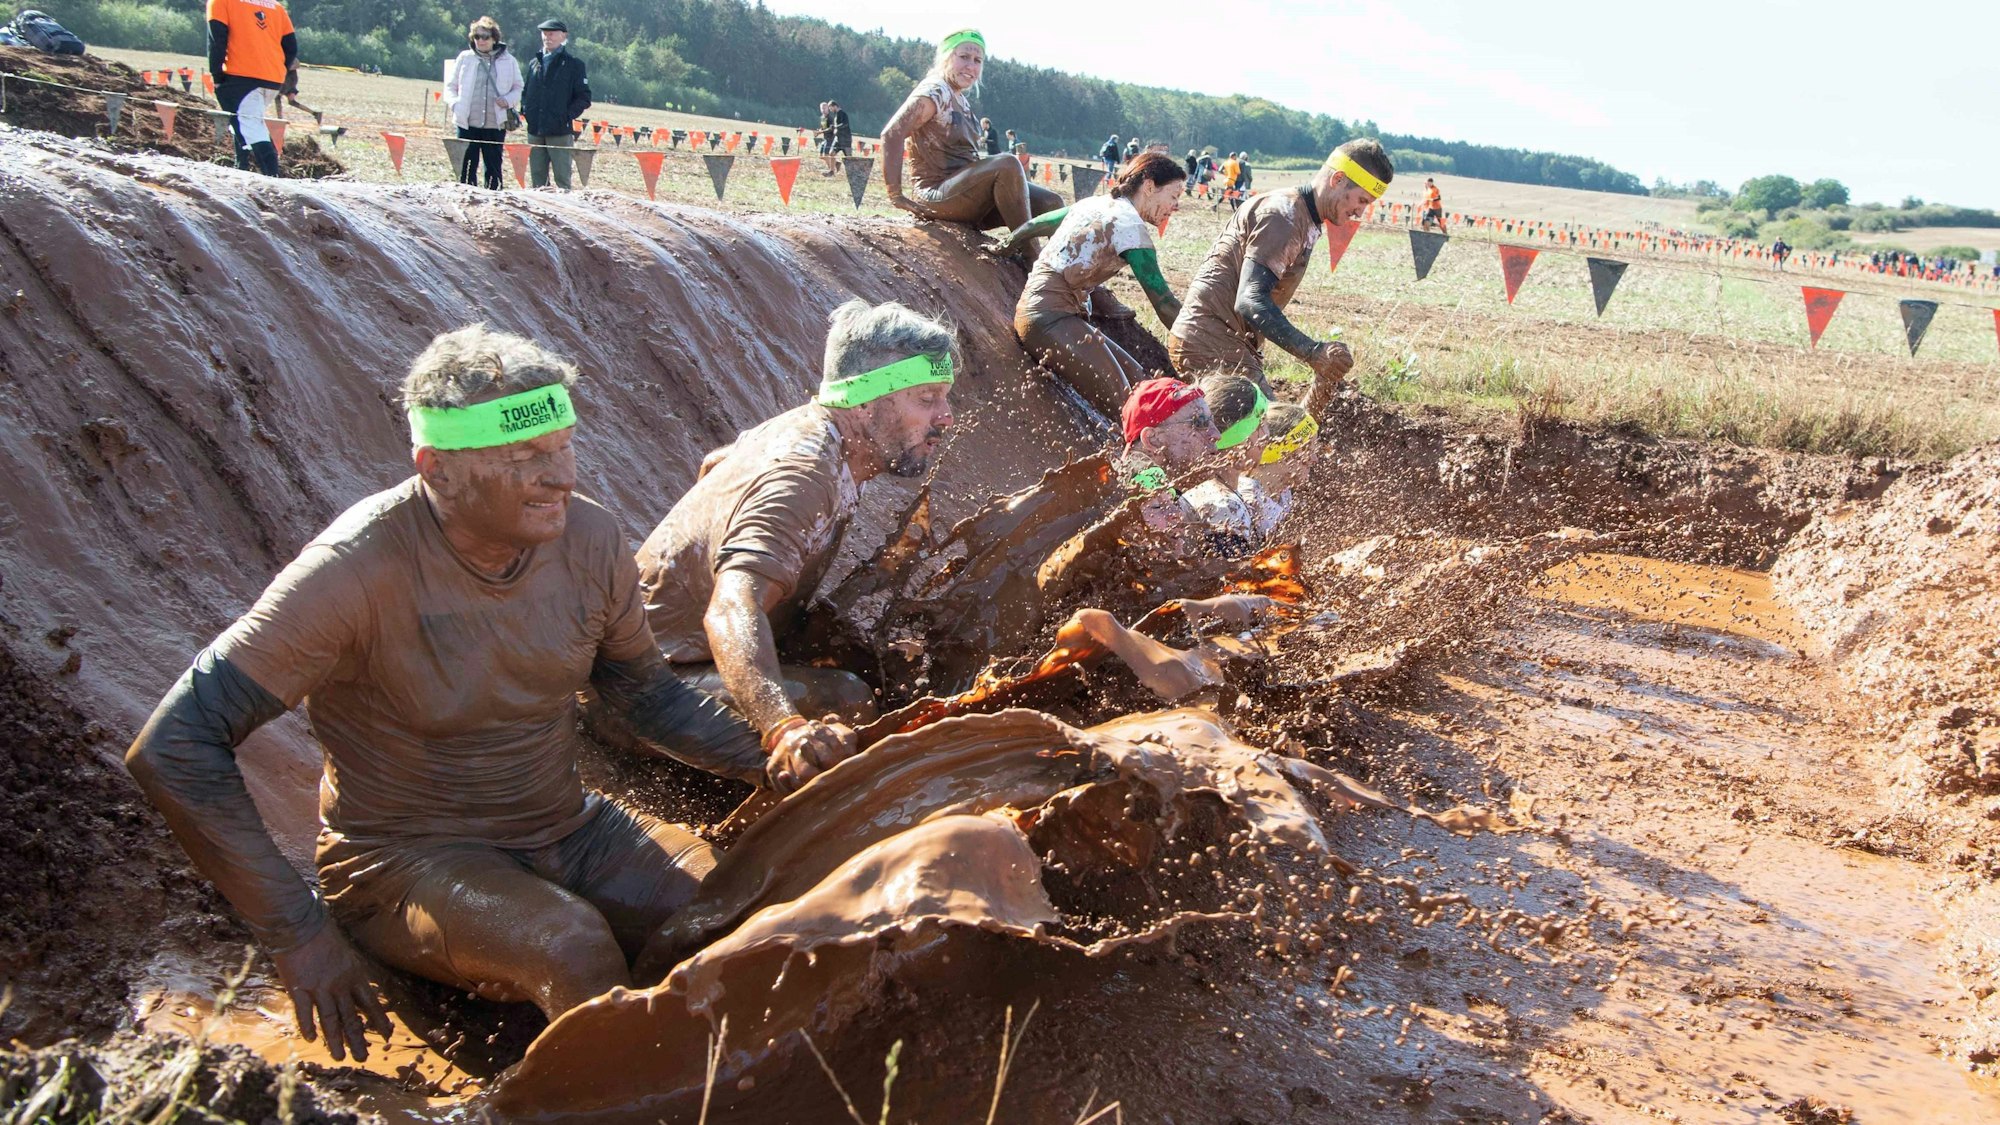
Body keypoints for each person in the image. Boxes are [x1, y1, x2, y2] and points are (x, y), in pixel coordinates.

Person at [121, 326, 811, 1061]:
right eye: (524, 457)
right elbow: (175, 744)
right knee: (574, 946)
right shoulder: (354, 573)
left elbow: (646, 697)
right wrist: (298, 932)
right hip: (403, 861)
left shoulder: (589, 541)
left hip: (570, 828)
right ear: (438, 470)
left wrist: (775, 745)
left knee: (733, 916)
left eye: (563, 446)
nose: (559, 477)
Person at [636, 300, 958, 761]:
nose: (945, 417)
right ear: (866, 402)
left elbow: (716, 464)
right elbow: (730, 609)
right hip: (646, 688)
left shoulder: (812, 431)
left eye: (943, 398)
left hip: (670, 658)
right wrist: (783, 730)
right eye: (927, 400)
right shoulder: (807, 476)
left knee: (871, 658)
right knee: (846, 701)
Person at [1172, 138, 1394, 416]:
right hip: (1213, 342)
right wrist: (1313, 353)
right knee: (1275, 441)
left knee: (1259, 444)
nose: (1360, 211)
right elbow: (1250, 300)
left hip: (1223, 341)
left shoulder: (1303, 216)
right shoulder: (1284, 216)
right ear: (1338, 179)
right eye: (1361, 200)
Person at [997, 152, 1187, 418]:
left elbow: (1035, 225)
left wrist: (1005, 245)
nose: (1175, 205)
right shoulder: (1130, 227)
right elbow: (1165, 304)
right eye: (1174, 195)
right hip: (1048, 318)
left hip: (1057, 316)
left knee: (1141, 385)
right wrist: (1196, 342)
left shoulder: (1092, 204)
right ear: (1149, 186)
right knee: (1134, 410)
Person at [880, 29, 1063, 231]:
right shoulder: (934, 90)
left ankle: (1051, 260)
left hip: (968, 195)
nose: (971, 66)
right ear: (946, 57)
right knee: (1007, 163)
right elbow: (892, 133)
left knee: (1051, 203)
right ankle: (1031, 256)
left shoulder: (961, 99)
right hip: (935, 195)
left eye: (977, 60)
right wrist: (895, 194)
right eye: (964, 57)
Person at [1116, 377, 1221, 536]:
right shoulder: (1138, 495)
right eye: (1200, 422)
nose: (1216, 434)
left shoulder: (1165, 491)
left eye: (1212, 422)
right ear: (1153, 439)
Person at [206, 0, 296, 177]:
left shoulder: (220, 2)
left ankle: (273, 178)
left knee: (250, 125)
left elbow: (217, 40)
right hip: (273, 78)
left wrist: (216, 75)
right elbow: (291, 47)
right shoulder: (276, 6)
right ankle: (242, 167)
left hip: (241, 76)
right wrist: (277, 68)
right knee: (242, 120)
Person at [445, 17, 521, 191]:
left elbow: (518, 87)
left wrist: (508, 100)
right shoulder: (464, 58)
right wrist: (455, 104)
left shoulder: (508, 61)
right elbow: (450, 86)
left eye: (485, 37)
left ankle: (494, 205)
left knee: (493, 169)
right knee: (467, 168)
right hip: (467, 122)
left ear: (494, 38)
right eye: (477, 37)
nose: (480, 40)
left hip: (495, 124)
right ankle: (466, 200)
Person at [521, 18, 589, 190]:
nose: (547, 37)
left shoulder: (574, 65)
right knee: (537, 179)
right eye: (544, 33)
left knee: (562, 180)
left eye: (551, 33)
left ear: (563, 36)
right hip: (535, 129)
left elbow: (584, 98)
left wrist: (565, 116)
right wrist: (526, 111)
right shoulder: (534, 63)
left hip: (559, 131)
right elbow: (526, 91)